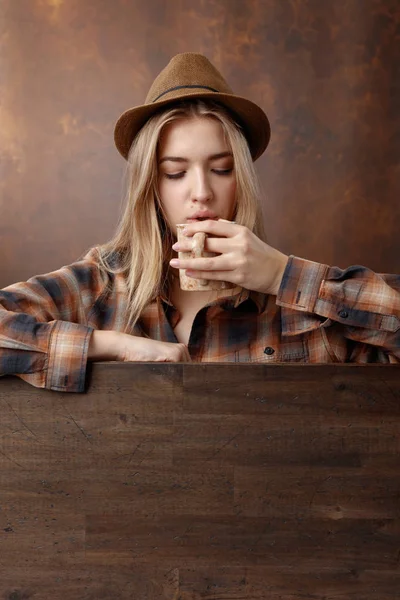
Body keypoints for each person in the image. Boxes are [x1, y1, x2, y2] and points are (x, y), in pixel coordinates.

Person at [0, 53, 399, 393]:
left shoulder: (301, 307)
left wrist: (283, 275)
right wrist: (116, 346)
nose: (202, 192)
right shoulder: (99, 286)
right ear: (150, 186)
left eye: (222, 169)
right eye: (175, 173)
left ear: (240, 179)